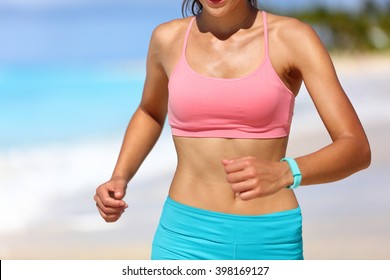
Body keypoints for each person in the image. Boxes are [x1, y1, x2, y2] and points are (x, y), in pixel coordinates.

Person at [94, 0, 371, 260]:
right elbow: (150, 112)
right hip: (183, 237)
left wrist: (287, 172)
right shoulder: (167, 39)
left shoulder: (292, 38)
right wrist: (120, 176)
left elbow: (356, 147)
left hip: (270, 238)